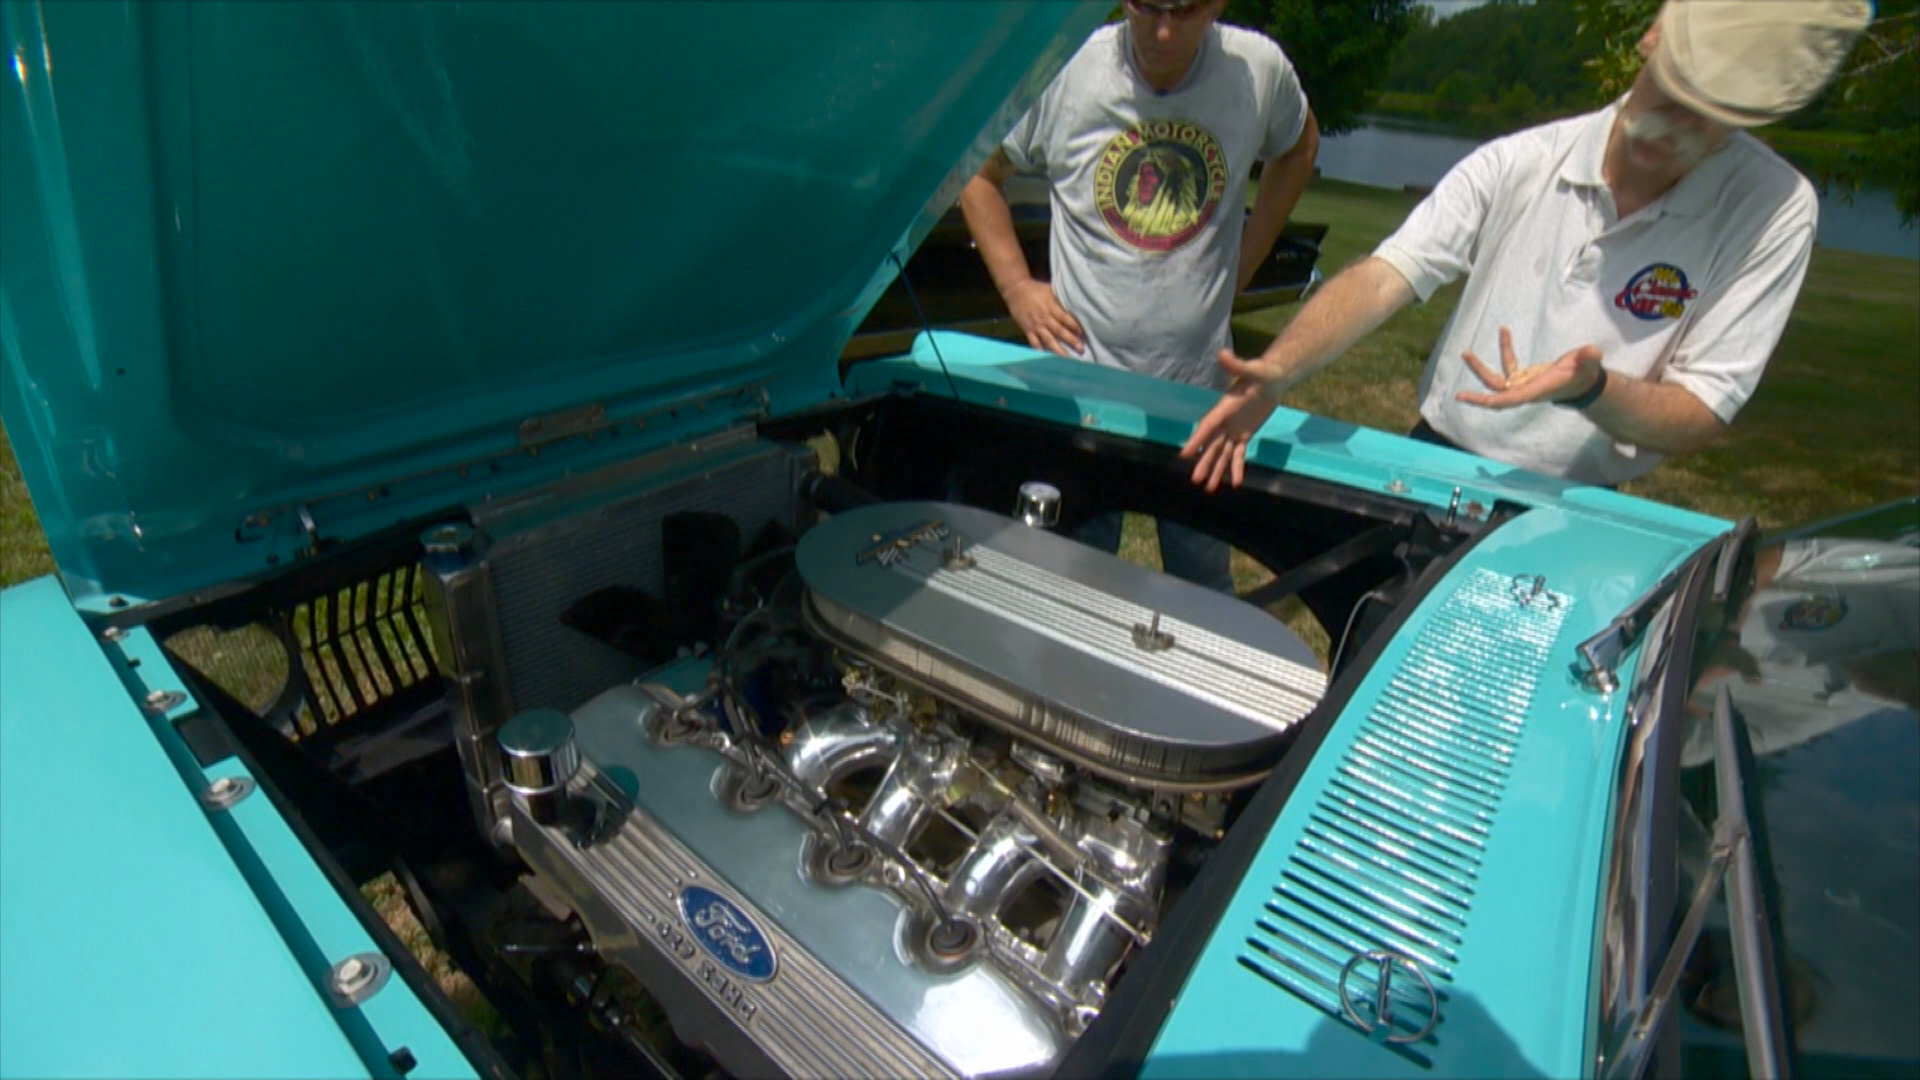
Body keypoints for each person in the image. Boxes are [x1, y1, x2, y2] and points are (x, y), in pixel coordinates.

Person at [1179, 0, 1872, 493]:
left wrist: (1592, 388)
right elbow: (1387, 274)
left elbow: (1699, 410)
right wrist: (1282, 367)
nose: (1679, 124)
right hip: (1436, 459)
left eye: (1714, 116)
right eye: (1678, 88)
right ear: (1653, 38)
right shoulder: (1522, 160)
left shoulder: (1774, 209)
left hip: (1580, 503)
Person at [958, 0, 1320, 591]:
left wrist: (1246, 260)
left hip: (1200, 401)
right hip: (1081, 399)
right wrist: (1017, 287)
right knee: (1070, 580)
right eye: (1147, 6)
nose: (1163, 31)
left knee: (1202, 587)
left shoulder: (1257, 71)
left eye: (1185, 10)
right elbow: (977, 169)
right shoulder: (1067, 69)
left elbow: (1299, 146)